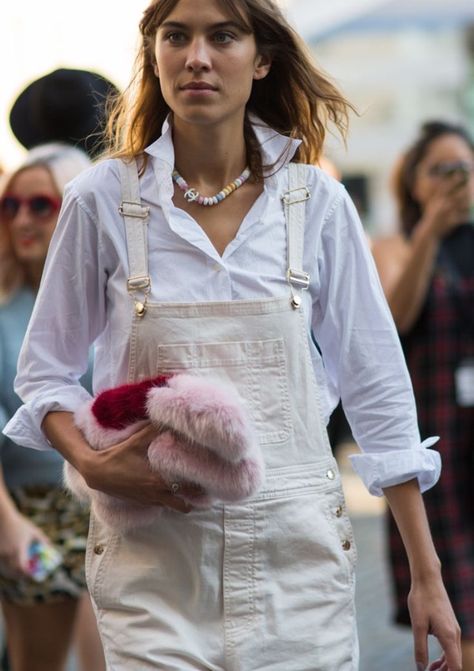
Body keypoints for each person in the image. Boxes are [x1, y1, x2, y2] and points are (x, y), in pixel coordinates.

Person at [3, 1, 462, 669]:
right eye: (176, 36)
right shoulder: (100, 199)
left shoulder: (317, 204)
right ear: (154, 55)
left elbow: (379, 390)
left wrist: (428, 575)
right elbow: (44, 372)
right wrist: (93, 462)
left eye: (223, 36)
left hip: (298, 563)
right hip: (153, 564)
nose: (197, 57)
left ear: (263, 57)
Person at [372, 120, 474, 671]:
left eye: (465, 168)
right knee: (463, 612)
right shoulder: (394, 247)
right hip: (437, 446)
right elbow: (394, 321)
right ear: (414, 182)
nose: (456, 180)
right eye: (442, 170)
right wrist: (431, 231)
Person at [0, 144, 105, 671]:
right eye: (10, 205)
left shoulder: (113, 301)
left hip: (112, 507)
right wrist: (9, 524)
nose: (22, 218)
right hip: (32, 513)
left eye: (40, 204)